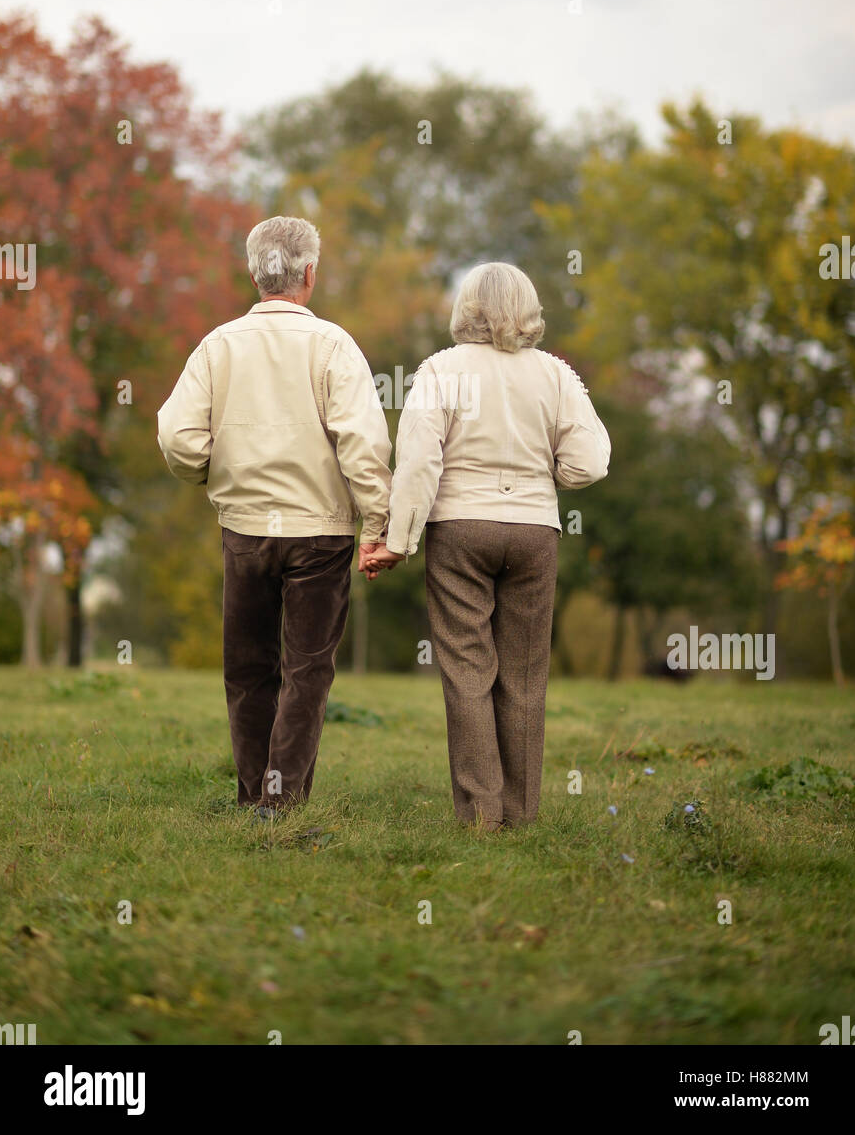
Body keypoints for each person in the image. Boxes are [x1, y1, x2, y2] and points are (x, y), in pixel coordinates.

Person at [157, 216, 391, 816]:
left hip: (245, 529)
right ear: (309, 273)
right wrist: (379, 525)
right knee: (306, 671)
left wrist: (214, 474)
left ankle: (252, 794)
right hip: (320, 531)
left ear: (253, 272)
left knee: (248, 668)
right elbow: (363, 445)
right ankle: (279, 802)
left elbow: (177, 435)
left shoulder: (217, 345)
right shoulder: (334, 345)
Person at [366, 262, 610, 831]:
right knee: (524, 679)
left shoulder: (439, 371)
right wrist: (545, 473)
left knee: (468, 673)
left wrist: (397, 541)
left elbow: (420, 463)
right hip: (534, 532)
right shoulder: (555, 374)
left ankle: (481, 816)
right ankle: (521, 817)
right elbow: (591, 461)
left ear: (466, 308)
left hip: (460, 530)